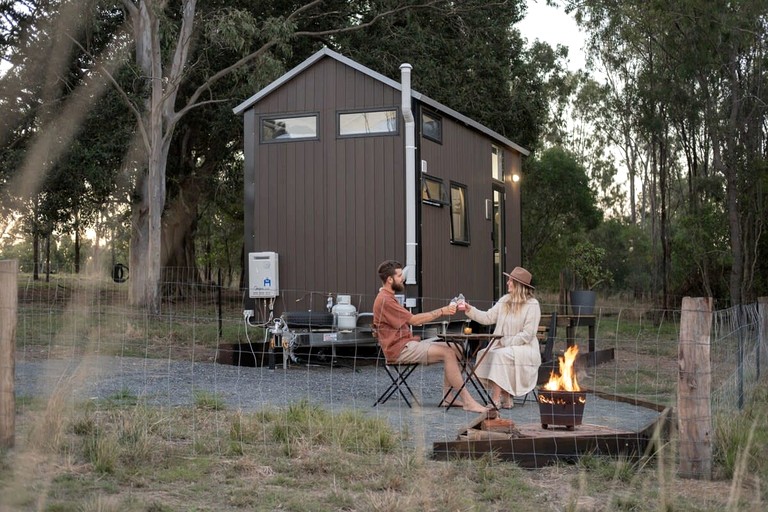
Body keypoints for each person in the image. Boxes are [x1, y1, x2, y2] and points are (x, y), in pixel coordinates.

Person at [373, 260, 491, 413]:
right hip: (399, 350)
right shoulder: (385, 300)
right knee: (447, 352)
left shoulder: (388, 297)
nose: (403, 278)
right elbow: (414, 320)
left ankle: (448, 397)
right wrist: (442, 311)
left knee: (455, 348)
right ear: (390, 279)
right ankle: (468, 401)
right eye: (400, 275)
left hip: (407, 343)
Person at [464, 266, 541, 409]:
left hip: (526, 349)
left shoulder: (532, 305)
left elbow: (528, 334)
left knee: (500, 355)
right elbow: (488, 317)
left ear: (519, 285)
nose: (507, 283)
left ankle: (495, 400)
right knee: (486, 353)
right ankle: (506, 397)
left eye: (510, 280)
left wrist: (508, 343)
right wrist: (470, 310)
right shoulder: (505, 300)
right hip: (505, 348)